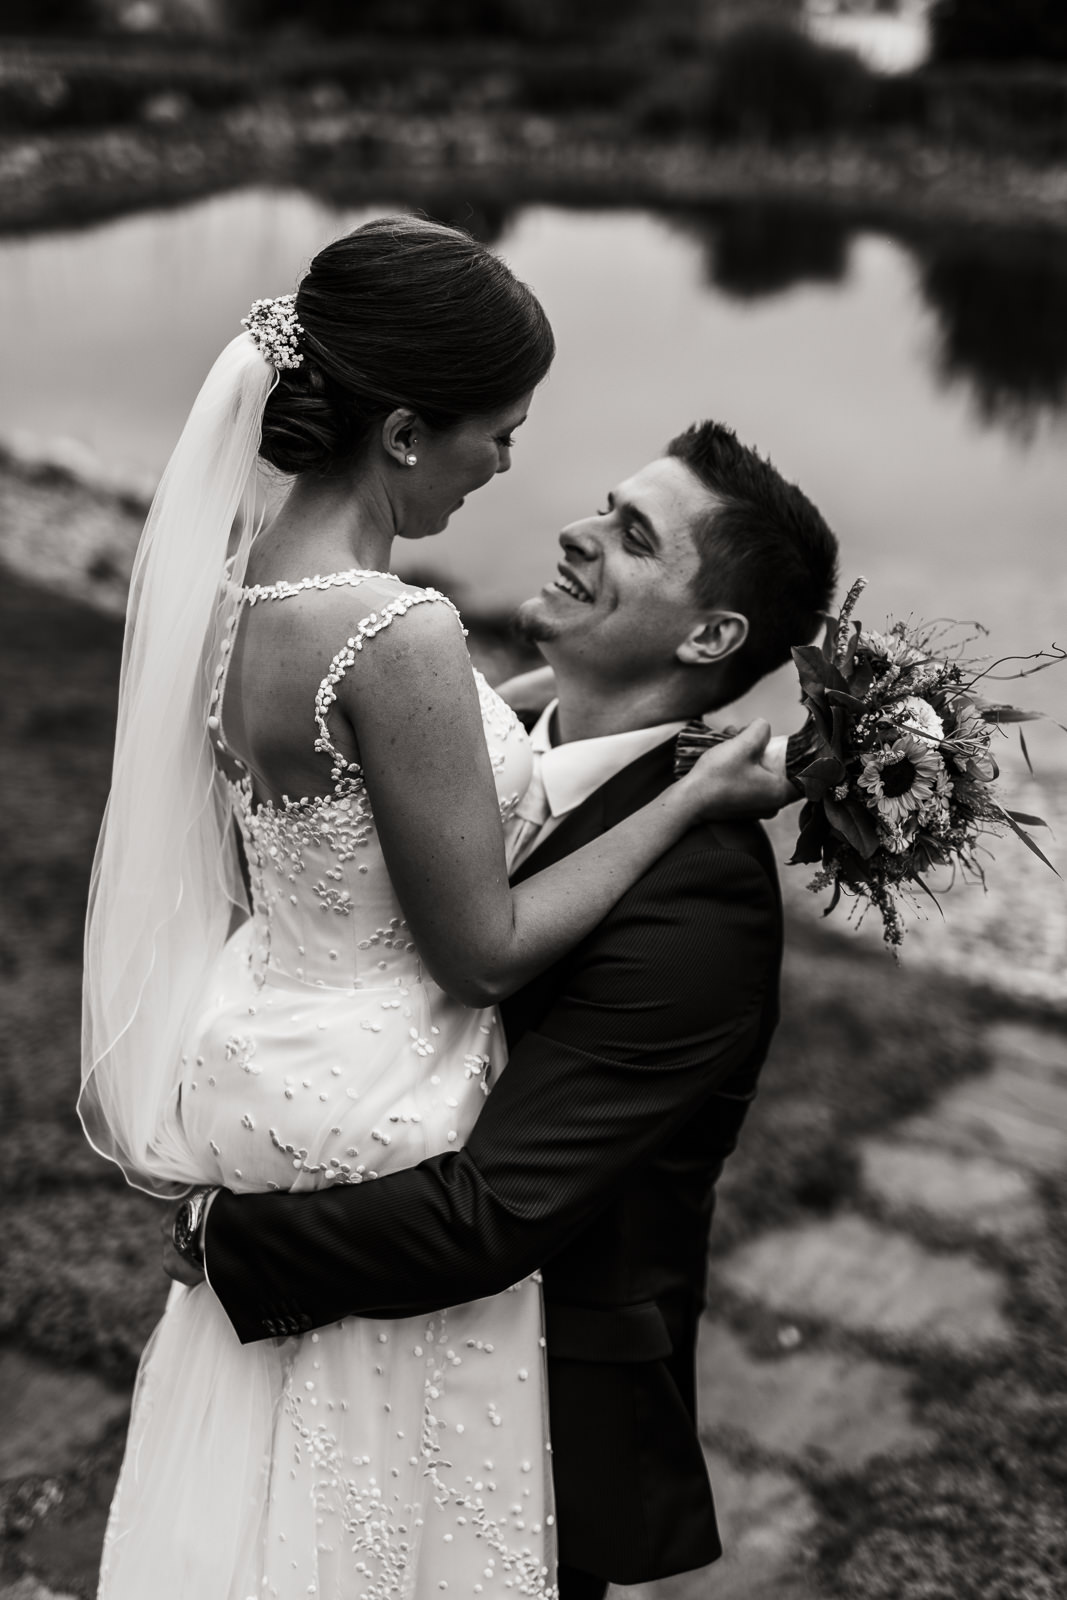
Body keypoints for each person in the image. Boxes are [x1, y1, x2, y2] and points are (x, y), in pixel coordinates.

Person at [81, 216, 794, 1600]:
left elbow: (367, 784)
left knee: (271, 1470)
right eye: (501, 434)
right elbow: (480, 954)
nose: (511, 468)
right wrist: (691, 798)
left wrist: (526, 710)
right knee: (379, 1499)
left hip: (273, 1051)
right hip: (384, 1096)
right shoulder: (396, 634)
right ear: (406, 433)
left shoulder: (243, 590)